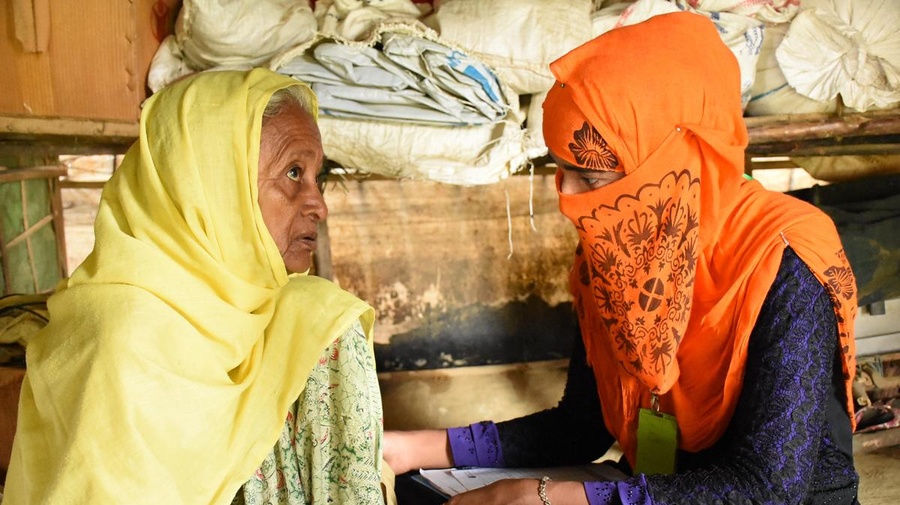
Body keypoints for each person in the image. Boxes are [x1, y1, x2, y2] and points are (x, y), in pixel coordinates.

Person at [384, 12, 860, 505]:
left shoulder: (784, 257)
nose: (566, 196)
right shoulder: (616, 252)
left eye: (590, 178)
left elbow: (768, 488)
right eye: (560, 170)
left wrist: (543, 496)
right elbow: (580, 426)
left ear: (676, 161)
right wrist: (411, 447)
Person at [4, 69, 386, 504]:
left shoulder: (290, 315)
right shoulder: (124, 343)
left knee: (324, 312)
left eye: (317, 176)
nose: (318, 204)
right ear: (211, 186)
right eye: (293, 171)